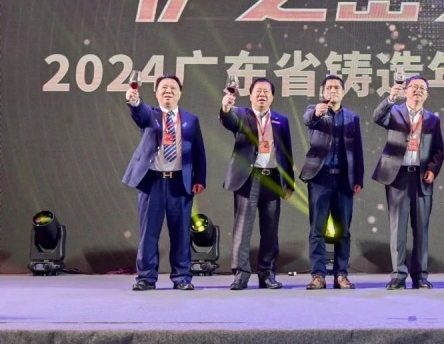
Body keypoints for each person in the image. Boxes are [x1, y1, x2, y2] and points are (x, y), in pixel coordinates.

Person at [123, 75, 206, 291]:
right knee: (149, 233)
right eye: (163, 88)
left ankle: (182, 277)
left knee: (181, 233)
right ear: (156, 92)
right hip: (152, 182)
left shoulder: (191, 119)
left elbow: (198, 151)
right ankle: (146, 278)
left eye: (173, 88)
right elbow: (139, 113)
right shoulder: (150, 114)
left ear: (180, 92)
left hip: (180, 182)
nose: (168, 91)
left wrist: (199, 179)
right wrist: (134, 100)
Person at [220, 77, 294, 290]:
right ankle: (241, 275)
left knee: (270, 230)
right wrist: (226, 108)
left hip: (272, 179)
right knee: (243, 229)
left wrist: (289, 184)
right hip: (248, 178)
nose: (262, 95)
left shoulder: (281, 120)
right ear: (250, 95)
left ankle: (267, 274)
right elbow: (229, 120)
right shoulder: (241, 114)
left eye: (266, 92)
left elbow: (286, 154)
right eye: (258, 91)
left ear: (272, 97)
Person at [372, 75, 444, 290]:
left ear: (427, 94)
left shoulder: (432, 120)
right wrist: (390, 98)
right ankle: (398, 275)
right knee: (398, 229)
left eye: (422, 88)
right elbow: (377, 117)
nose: (418, 90)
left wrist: (432, 169)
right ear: (406, 91)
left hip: (421, 178)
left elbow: (438, 150)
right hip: (398, 176)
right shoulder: (394, 112)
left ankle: (420, 276)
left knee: (421, 229)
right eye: (414, 87)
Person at [300, 75, 364, 290]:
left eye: (337, 87)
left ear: (343, 92)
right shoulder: (315, 111)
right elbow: (308, 119)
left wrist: (358, 178)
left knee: (343, 230)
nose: (333, 91)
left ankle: (341, 274)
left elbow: (357, 150)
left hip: (344, 179)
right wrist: (317, 113)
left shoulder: (352, 117)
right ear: (323, 92)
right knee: (317, 229)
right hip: (320, 178)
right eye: (329, 88)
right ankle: (318, 275)